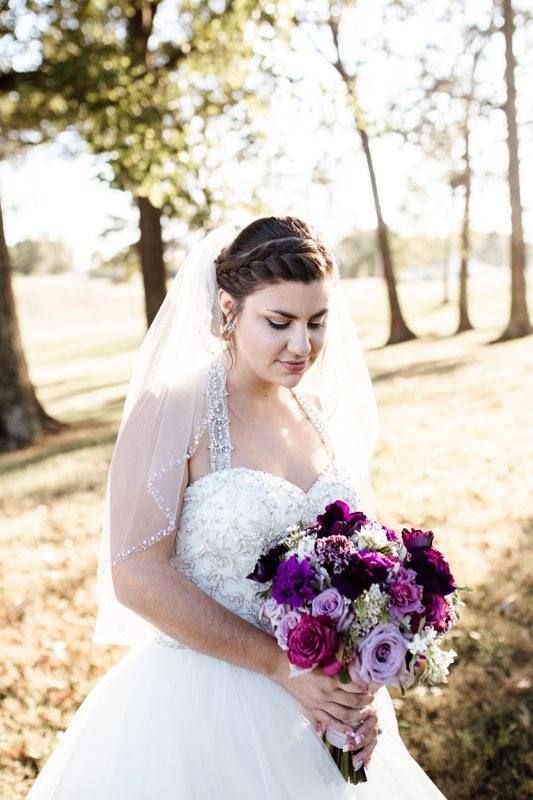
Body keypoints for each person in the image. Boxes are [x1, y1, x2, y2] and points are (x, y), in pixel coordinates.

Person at [27, 215, 447, 798]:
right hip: (203, 705)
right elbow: (137, 574)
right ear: (228, 308)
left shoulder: (322, 411)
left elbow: (355, 565)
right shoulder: (173, 409)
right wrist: (282, 667)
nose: (302, 346)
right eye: (279, 322)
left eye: (317, 322)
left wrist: (353, 688)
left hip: (319, 708)